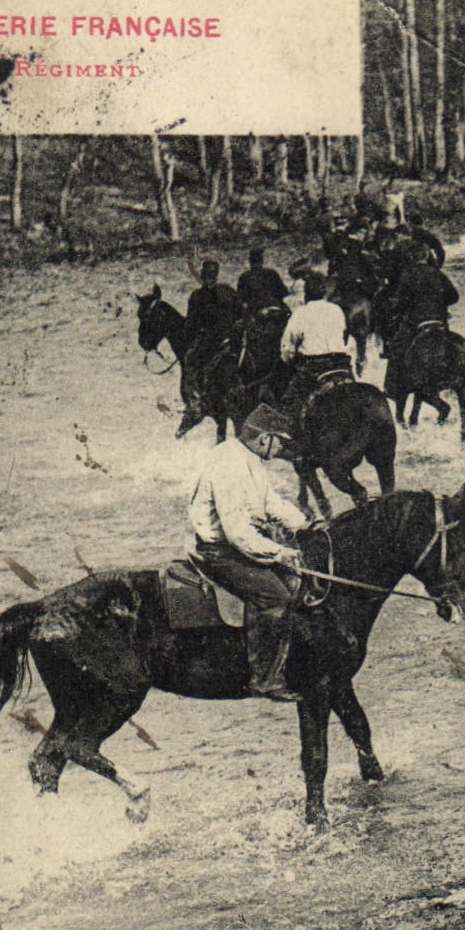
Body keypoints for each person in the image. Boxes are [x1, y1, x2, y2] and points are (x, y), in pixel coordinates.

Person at [187, 420, 314, 702]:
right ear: (264, 438)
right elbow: (237, 533)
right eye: (280, 441)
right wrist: (278, 552)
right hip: (220, 550)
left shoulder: (249, 458)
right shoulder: (229, 464)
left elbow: (269, 502)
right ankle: (265, 679)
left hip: (239, 543)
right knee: (275, 597)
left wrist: (304, 524)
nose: (281, 448)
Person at [277, 273, 353, 418]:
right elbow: (343, 337)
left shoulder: (300, 313)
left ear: (306, 293)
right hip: (341, 365)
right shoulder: (337, 310)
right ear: (324, 292)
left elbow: (287, 347)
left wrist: (288, 359)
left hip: (314, 368)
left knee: (288, 403)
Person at [382, 243, 459, 351]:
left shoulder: (407, 274)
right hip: (439, 318)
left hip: (415, 320)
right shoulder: (437, 273)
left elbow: (399, 298)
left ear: (411, 257)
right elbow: (454, 296)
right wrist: (440, 303)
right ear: (427, 256)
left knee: (399, 349)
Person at [237, 247, 290, 316]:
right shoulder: (272, 273)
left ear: (250, 262)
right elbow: (284, 292)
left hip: (256, 310)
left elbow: (242, 298)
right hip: (275, 306)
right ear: (262, 261)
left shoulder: (244, 277)